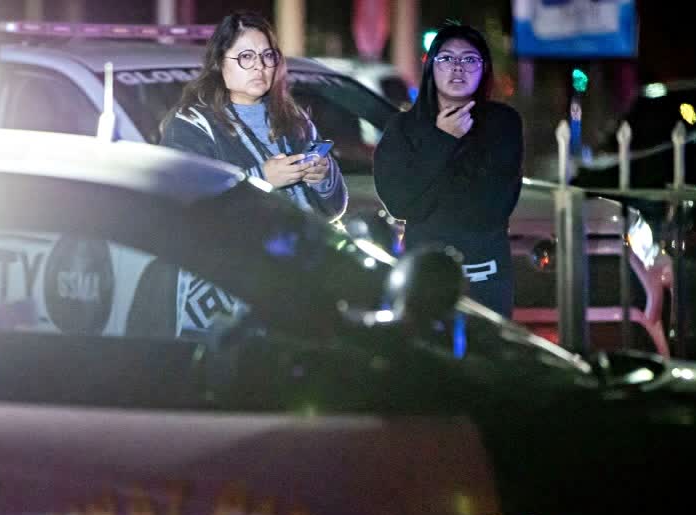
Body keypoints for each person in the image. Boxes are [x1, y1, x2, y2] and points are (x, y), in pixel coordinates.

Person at [372, 22, 522, 318]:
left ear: (484, 68)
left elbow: (492, 207)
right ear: (431, 67)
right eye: (447, 58)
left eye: (469, 59)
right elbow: (400, 203)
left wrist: (427, 194)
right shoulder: (403, 128)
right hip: (421, 277)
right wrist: (442, 140)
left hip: (485, 277)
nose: (458, 68)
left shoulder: (502, 123)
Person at [160, 11, 347, 222]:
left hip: (303, 248)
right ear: (219, 63)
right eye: (246, 56)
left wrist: (322, 177)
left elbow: (333, 210)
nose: (260, 66)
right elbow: (186, 211)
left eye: (267, 55)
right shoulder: (191, 124)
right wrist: (260, 179)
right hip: (241, 254)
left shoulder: (294, 118)